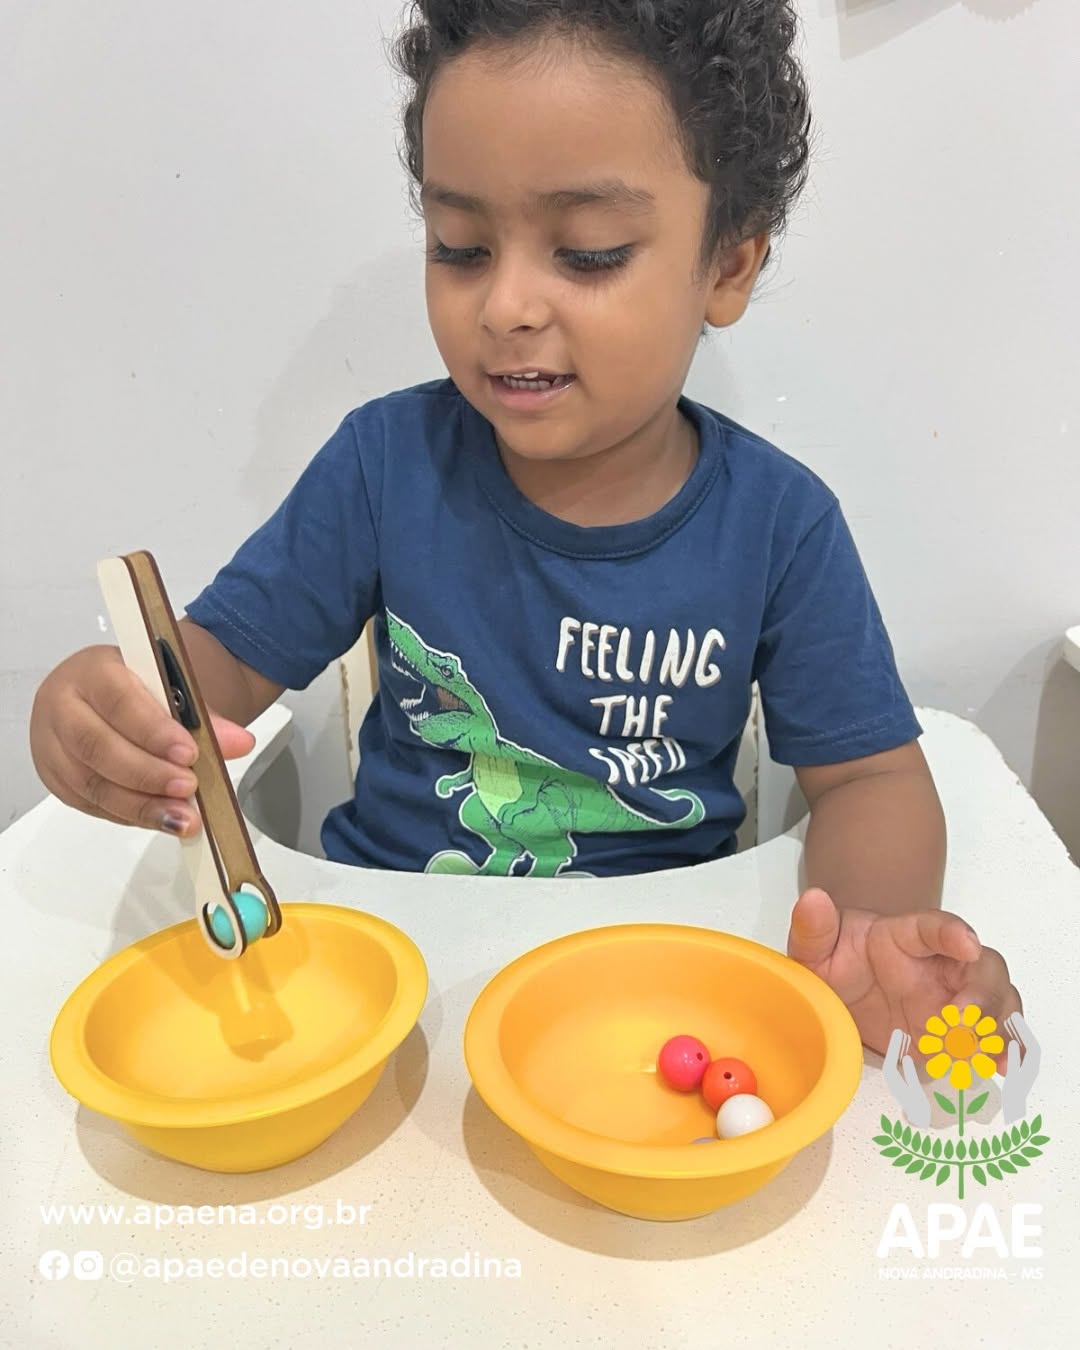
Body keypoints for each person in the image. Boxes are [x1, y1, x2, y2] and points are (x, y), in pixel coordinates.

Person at [28, 0, 1021, 1058]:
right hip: (396, 983)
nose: (505, 304)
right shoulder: (383, 467)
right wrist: (110, 713)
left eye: (587, 254)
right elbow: (217, 673)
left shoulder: (780, 525)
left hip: (649, 1000)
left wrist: (868, 937)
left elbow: (869, 778)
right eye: (460, 247)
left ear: (726, 267)